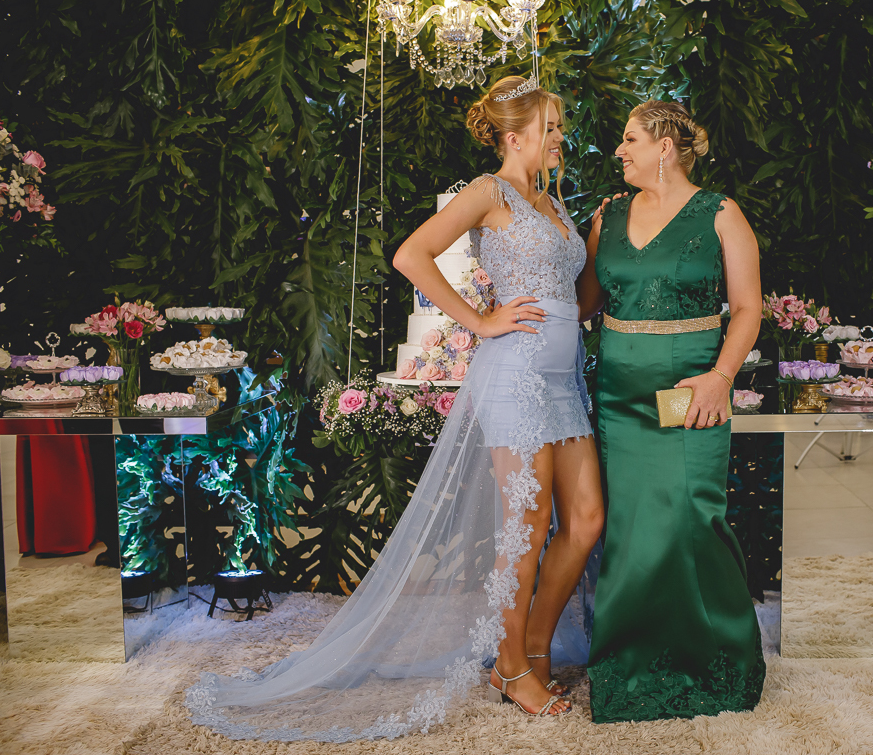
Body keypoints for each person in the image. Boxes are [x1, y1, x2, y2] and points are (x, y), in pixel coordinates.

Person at [185, 75, 603, 740]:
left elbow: (575, 302)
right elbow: (412, 254)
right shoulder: (488, 191)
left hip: (564, 380)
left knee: (585, 520)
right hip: (516, 377)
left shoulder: (553, 204)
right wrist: (480, 321)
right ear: (514, 135)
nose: (560, 137)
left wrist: (599, 241)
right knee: (526, 528)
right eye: (550, 127)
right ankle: (512, 667)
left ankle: (531, 649)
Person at [577, 100, 766, 722]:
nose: (619, 150)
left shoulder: (720, 213)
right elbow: (582, 304)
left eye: (630, 139)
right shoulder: (608, 214)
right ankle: (629, 671)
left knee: (689, 519)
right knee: (633, 530)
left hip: (690, 386)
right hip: (619, 394)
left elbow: (748, 309)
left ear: (664, 146)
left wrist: (720, 379)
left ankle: (716, 664)